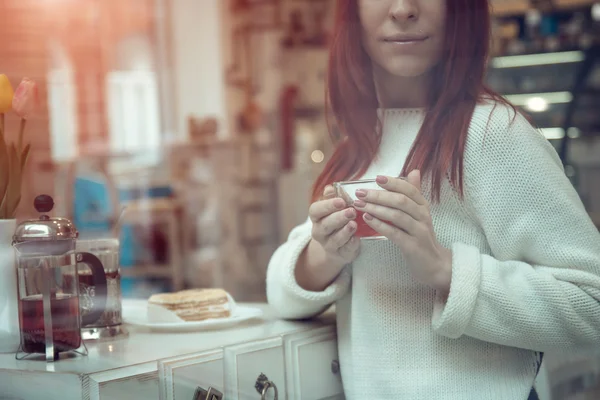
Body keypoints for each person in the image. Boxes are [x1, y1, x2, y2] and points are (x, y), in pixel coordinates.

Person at [266, 0, 600, 399]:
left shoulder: (493, 133)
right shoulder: (359, 143)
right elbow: (280, 293)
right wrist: (325, 254)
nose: (404, 9)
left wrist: (443, 268)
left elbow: (590, 302)